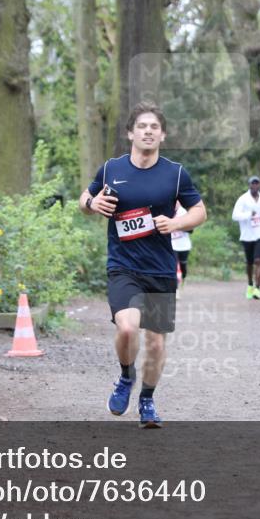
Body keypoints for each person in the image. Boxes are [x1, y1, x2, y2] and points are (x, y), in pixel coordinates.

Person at [79, 102, 207, 428]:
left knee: (156, 342)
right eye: (142, 126)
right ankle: (125, 377)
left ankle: (147, 399)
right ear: (130, 133)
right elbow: (84, 199)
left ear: (162, 135)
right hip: (123, 266)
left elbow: (199, 212)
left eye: (154, 127)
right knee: (126, 327)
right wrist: (93, 203)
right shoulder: (112, 169)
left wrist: (175, 224)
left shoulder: (175, 173)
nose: (148, 131)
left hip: (161, 269)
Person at [231, 175, 260, 299]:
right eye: (252, 184)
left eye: (257, 183)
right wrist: (249, 214)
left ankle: (257, 289)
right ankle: (250, 284)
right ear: (249, 185)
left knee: (258, 260)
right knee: (249, 262)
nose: (255, 186)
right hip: (247, 235)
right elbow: (234, 216)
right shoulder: (243, 199)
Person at [170, 201, 192, 295]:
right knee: (174, 267)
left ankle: (184, 278)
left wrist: (177, 225)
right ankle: (176, 289)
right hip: (172, 244)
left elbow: (191, 230)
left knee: (183, 266)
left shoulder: (183, 212)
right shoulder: (166, 210)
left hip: (183, 245)